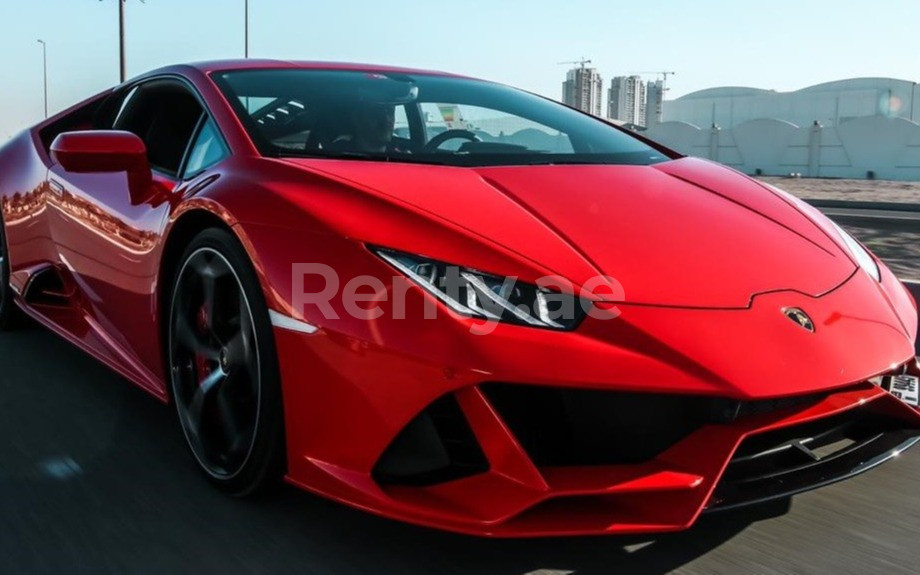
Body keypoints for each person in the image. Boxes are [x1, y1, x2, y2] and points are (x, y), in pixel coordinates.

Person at [329, 101, 397, 153]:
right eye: (377, 114)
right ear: (357, 118)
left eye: (390, 112)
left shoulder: (401, 156)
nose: (387, 120)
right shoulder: (335, 154)